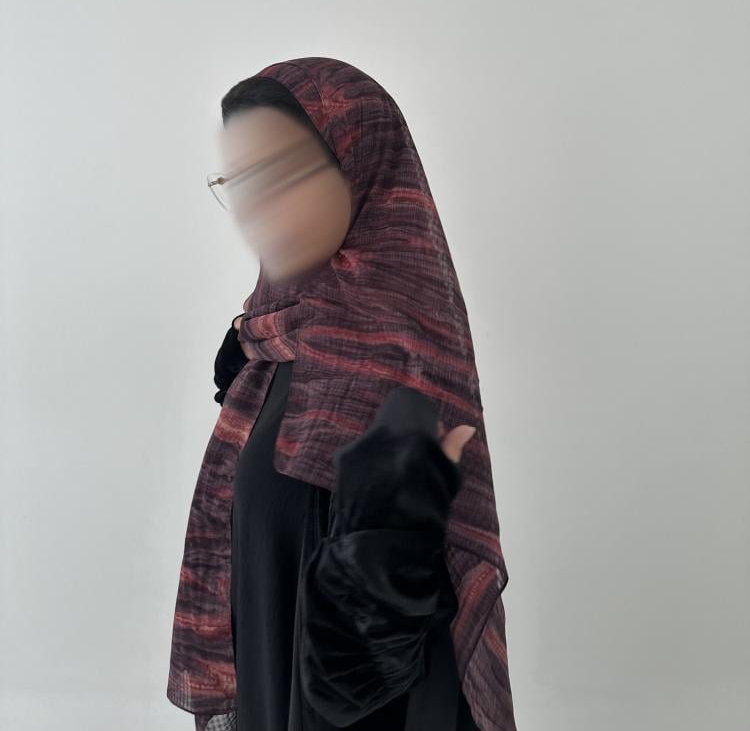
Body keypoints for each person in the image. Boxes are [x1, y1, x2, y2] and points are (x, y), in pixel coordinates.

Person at [166, 57, 517, 731]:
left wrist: (389, 543)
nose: (255, 206)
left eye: (283, 171)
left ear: (361, 166)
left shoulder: (393, 371)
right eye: (239, 180)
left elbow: (364, 679)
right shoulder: (264, 356)